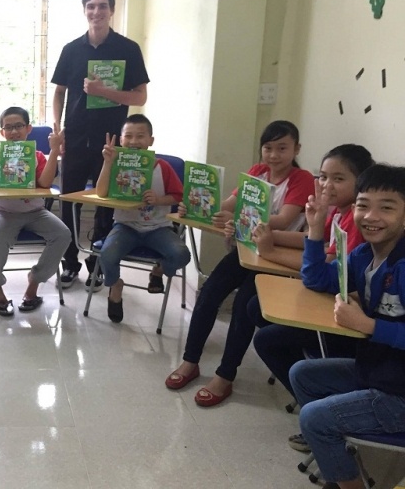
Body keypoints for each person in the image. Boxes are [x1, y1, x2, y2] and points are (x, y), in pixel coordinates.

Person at [165, 120, 314, 406]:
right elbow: (227, 205)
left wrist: (239, 220)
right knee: (209, 293)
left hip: (276, 258)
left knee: (243, 307)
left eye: (282, 148)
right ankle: (190, 361)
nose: (274, 155)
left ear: (296, 149)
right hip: (247, 250)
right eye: (268, 148)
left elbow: (283, 219)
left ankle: (225, 375)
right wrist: (196, 206)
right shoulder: (257, 172)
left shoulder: (301, 179)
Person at [248, 145, 373, 447]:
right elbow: (314, 243)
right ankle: (315, 396)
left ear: (361, 182)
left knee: (266, 338)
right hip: (333, 302)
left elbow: (323, 266)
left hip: (350, 321)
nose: (327, 185)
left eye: (338, 179)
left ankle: (318, 407)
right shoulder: (339, 212)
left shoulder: (357, 222)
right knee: (255, 307)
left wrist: (271, 252)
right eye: (323, 177)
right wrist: (271, 235)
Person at [290, 164, 405, 489]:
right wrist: (315, 230)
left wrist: (369, 325)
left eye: (387, 208)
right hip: (380, 371)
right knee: (303, 374)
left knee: (314, 417)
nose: (371, 216)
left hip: (399, 393)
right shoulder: (362, 255)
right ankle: (333, 454)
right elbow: (317, 279)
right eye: (363, 205)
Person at [51, 0, 150, 290]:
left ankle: (97, 265)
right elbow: (59, 92)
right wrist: (57, 129)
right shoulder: (71, 49)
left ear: (112, 10)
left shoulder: (128, 49)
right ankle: (69, 263)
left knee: (105, 204)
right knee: (69, 202)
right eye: (91, 6)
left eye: (103, 6)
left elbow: (140, 96)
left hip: (112, 141)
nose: (97, 11)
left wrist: (103, 91)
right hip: (75, 138)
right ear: (85, 11)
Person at [0, 107, 70, 316]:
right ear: (2, 132)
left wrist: (54, 150)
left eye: (19, 126)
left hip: (35, 212)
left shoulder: (37, 156)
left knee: (63, 234)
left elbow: (45, 184)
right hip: (3, 211)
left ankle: (34, 282)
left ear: (28, 128)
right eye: (8, 128)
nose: (14, 131)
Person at [94, 114, 190, 323]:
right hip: (125, 226)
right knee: (107, 255)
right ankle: (115, 286)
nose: (134, 141)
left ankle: (158, 271)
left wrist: (159, 199)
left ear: (150, 140)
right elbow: (101, 193)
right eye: (128, 136)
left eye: (140, 136)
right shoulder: (115, 164)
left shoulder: (163, 167)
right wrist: (108, 163)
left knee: (182, 255)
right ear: (121, 140)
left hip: (159, 227)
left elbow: (179, 196)